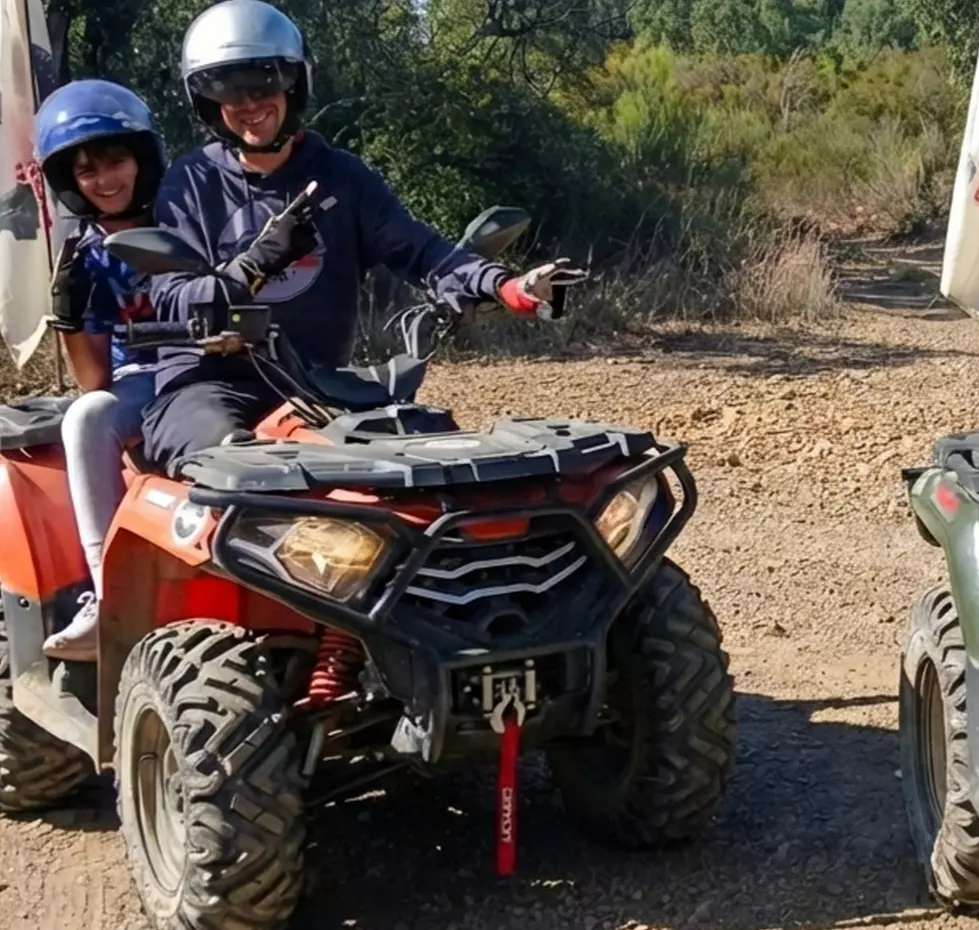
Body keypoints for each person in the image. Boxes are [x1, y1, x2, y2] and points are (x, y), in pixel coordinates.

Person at [138, 0, 584, 475]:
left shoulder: (341, 177)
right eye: (229, 91)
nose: (248, 104)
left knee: (435, 466)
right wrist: (256, 263)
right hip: (210, 385)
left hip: (318, 382)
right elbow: (172, 299)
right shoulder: (190, 183)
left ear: (294, 83)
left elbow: (421, 250)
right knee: (234, 469)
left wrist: (506, 286)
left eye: (262, 84)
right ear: (208, 102)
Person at [33, 80, 169, 661]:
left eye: (115, 160)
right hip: (143, 380)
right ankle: (108, 592)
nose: (105, 180)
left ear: (143, 158)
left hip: (222, 367)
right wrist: (67, 316)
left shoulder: (190, 218)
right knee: (88, 417)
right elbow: (95, 382)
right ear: (70, 183)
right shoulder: (85, 256)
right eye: (87, 171)